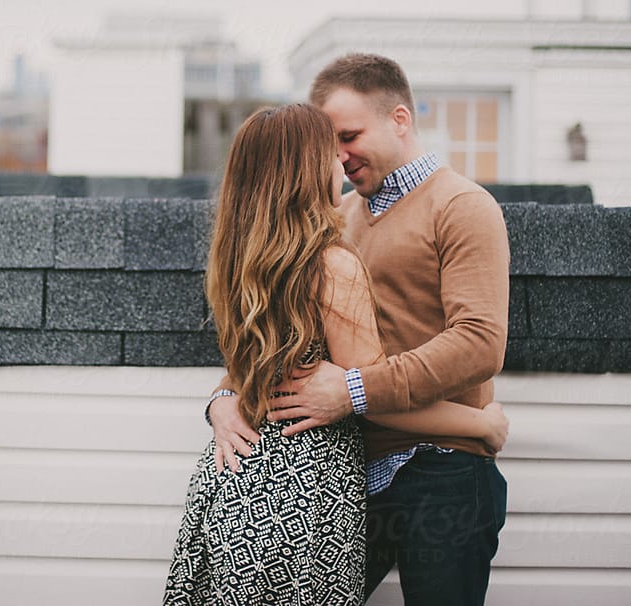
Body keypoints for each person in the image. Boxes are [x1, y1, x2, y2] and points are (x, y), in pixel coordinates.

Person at [166, 103, 508, 605]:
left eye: (348, 140)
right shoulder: (331, 261)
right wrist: (480, 425)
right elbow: (365, 392)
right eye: (331, 152)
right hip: (303, 499)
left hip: (232, 491)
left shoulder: (240, 264)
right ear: (306, 170)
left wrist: (223, 398)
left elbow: (265, 366)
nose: (341, 164)